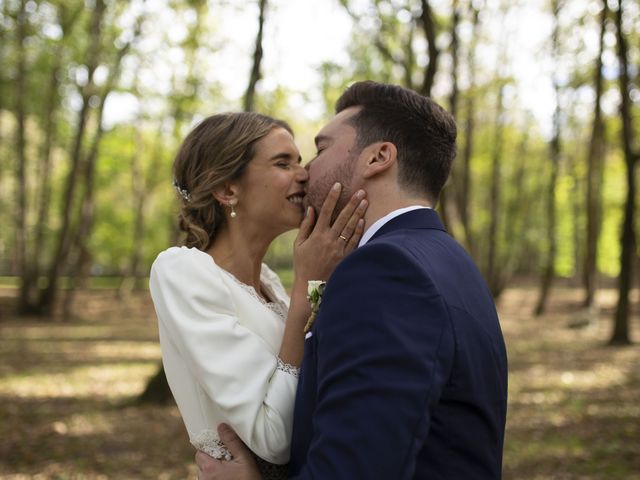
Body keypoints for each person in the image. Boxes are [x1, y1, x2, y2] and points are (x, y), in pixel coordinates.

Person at [195, 81, 508, 479]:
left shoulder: (385, 271)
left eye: (322, 148)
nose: (307, 170)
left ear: (377, 157)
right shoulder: (451, 261)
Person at [149, 112, 368, 480]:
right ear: (227, 189)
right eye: (283, 163)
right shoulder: (182, 272)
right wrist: (309, 286)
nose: (304, 173)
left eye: (300, 161)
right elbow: (275, 437)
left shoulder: (269, 284)